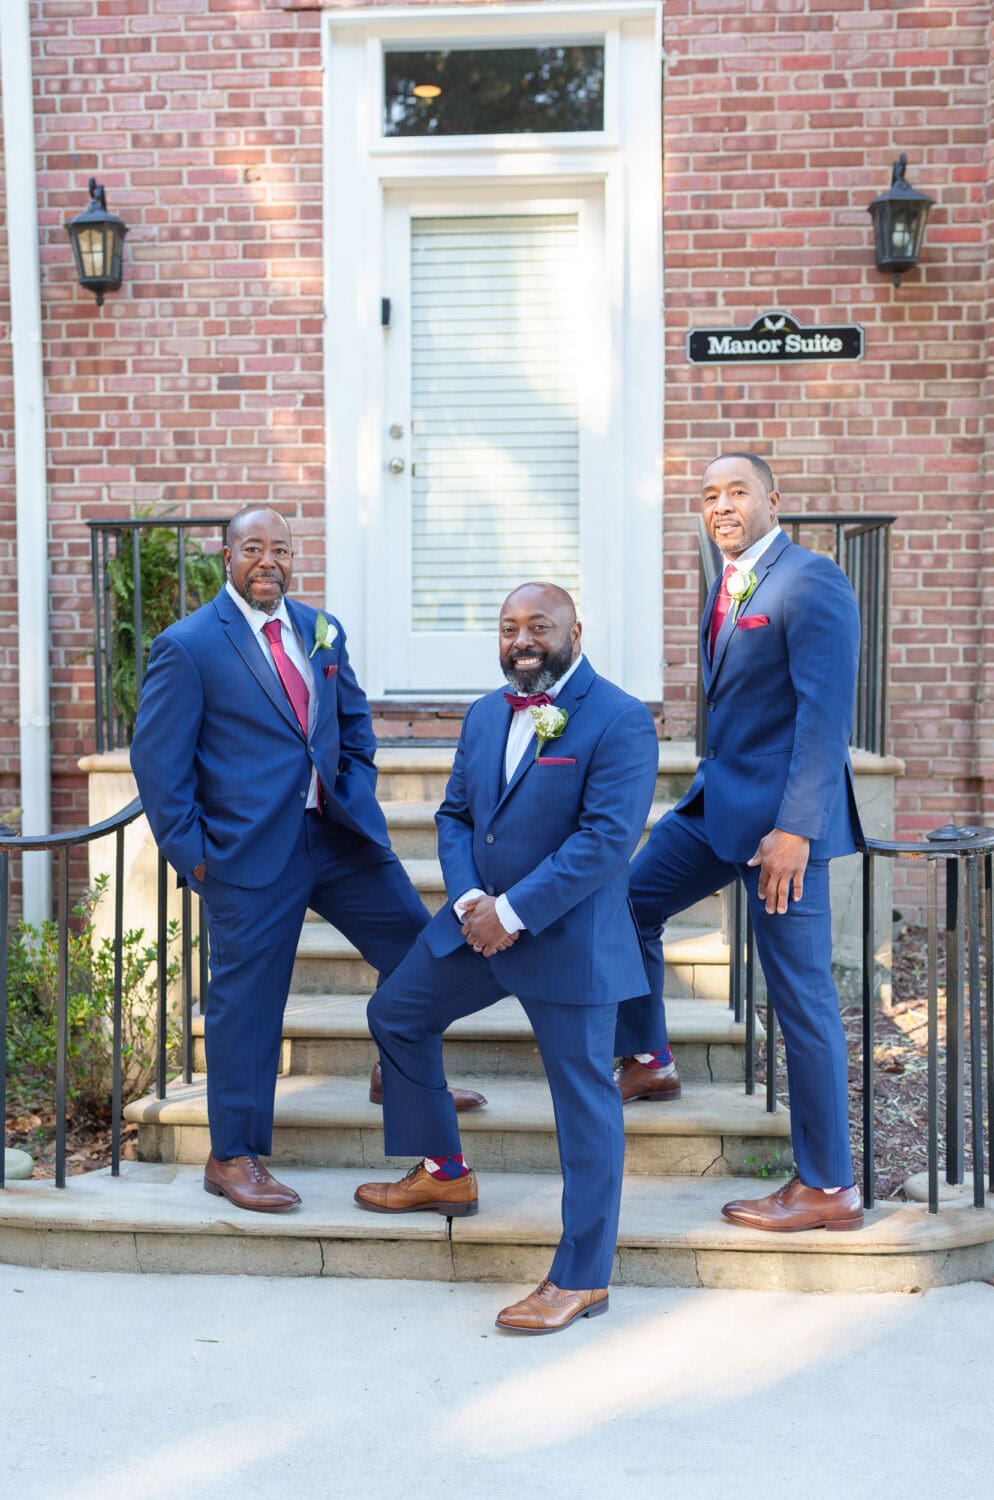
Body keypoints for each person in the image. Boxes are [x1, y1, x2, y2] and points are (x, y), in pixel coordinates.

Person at [130, 505, 484, 1214]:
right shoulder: (190, 645)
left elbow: (351, 723)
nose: (269, 561)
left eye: (281, 550)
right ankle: (231, 1158)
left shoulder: (321, 629)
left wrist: (353, 789)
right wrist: (197, 857)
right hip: (248, 853)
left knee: (420, 951)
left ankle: (400, 1069)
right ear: (225, 556)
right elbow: (158, 764)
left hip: (337, 836)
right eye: (253, 548)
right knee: (247, 1006)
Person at [354, 582, 659, 1333]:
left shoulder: (619, 719)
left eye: (540, 625)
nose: (522, 639)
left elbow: (604, 841)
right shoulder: (488, 713)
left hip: (567, 939)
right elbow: (456, 814)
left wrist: (512, 912)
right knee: (395, 1012)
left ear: (576, 631)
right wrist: (467, 903)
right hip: (476, 924)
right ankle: (444, 1172)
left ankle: (582, 1278)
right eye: (508, 627)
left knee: (584, 1105)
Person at [615, 453, 866, 1231]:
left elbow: (824, 719)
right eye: (710, 496)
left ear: (772, 500)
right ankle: (650, 1059)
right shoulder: (727, 583)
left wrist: (796, 830)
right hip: (715, 808)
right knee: (625, 903)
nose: (722, 506)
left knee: (801, 1001)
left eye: (737, 492)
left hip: (781, 832)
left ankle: (827, 1186)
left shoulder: (811, 579)